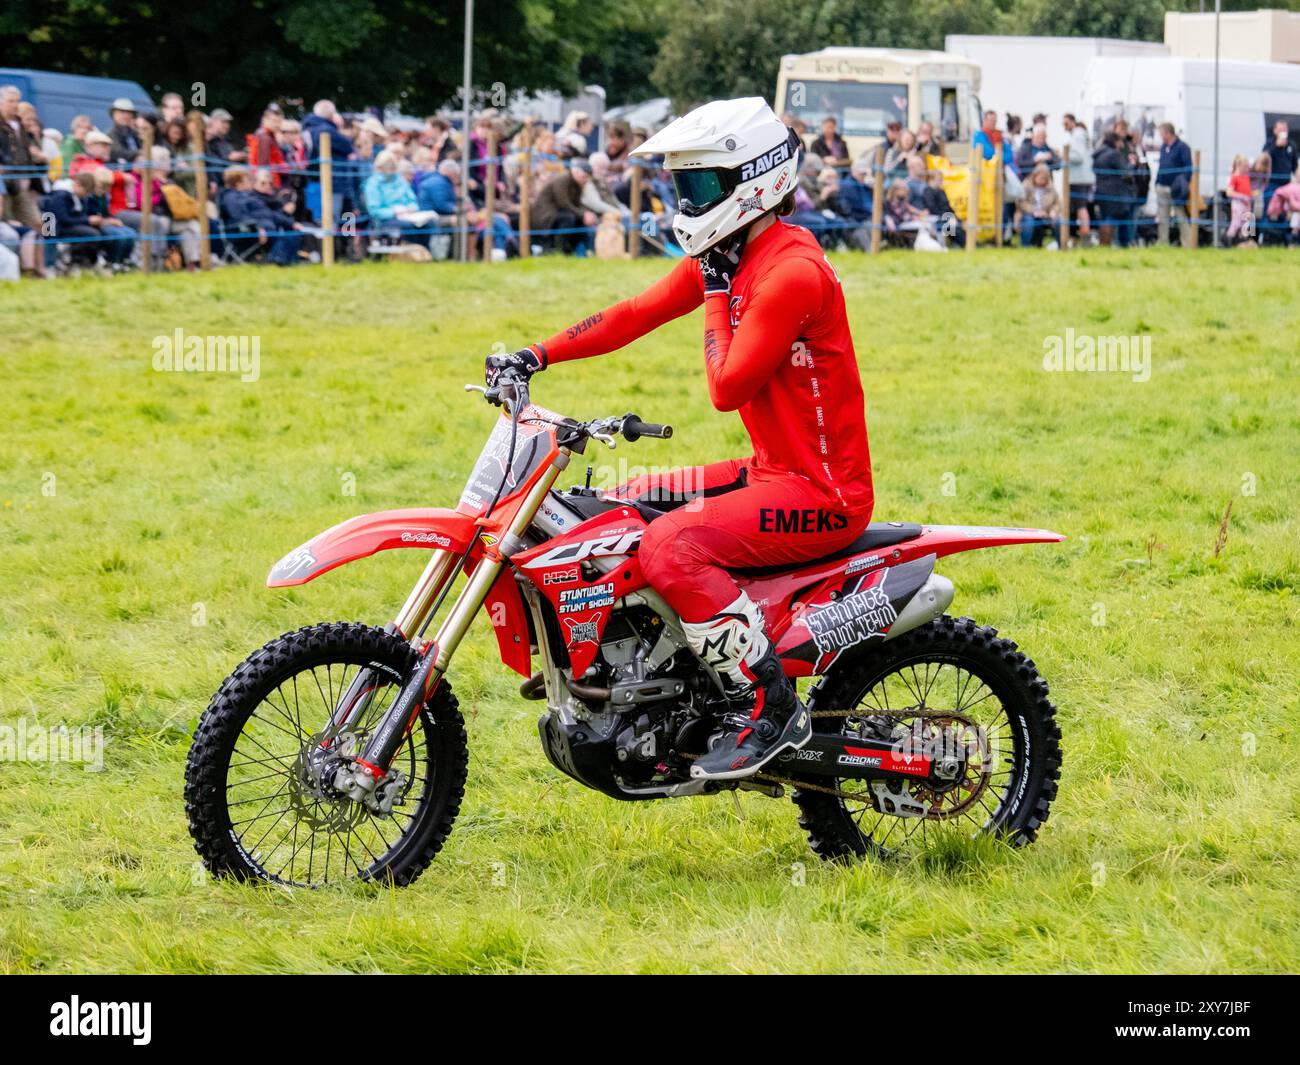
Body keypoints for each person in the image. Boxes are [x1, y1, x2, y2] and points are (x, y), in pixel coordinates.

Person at [483, 98, 872, 781]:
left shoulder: (788, 274)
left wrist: (718, 294)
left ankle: (766, 703)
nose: (688, 201)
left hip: (822, 495)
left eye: (700, 186)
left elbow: (727, 387)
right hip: (770, 471)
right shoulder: (732, 254)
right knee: (624, 505)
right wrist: (536, 355)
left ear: (752, 182)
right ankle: (638, 678)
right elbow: (635, 313)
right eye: (683, 186)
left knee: (672, 543)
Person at [1154, 122, 1192, 246]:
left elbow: (1188, 168)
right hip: (1162, 187)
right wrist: (1157, 182)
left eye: (1161, 134)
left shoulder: (1183, 147)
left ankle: (1187, 243)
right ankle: (1163, 242)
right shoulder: (1163, 147)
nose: (1160, 137)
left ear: (1168, 133)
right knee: (1163, 217)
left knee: (1181, 216)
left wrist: (1181, 184)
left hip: (1176, 189)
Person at [1260, 121, 1297, 245]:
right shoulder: (1269, 144)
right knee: (1268, 211)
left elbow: (1295, 166)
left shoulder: (1291, 145)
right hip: (1271, 184)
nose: (1283, 132)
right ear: (1275, 130)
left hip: (1286, 186)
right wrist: (1276, 146)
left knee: (1284, 213)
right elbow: (1263, 160)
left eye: (1285, 129)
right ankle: (1263, 238)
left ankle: (1285, 241)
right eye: (1280, 129)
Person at [1062, 113, 1093, 245]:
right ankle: (1076, 236)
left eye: (1066, 123)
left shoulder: (1077, 135)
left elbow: (1078, 156)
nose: (1065, 126)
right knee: (1079, 207)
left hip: (1078, 178)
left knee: (1081, 208)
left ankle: (1085, 235)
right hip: (1082, 177)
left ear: (1073, 122)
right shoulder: (1080, 135)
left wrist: (1064, 155)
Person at [1017, 163, 1062, 248]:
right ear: (1034, 176)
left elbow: (1057, 203)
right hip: (1029, 213)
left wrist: (1053, 211)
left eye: (1044, 178)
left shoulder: (1051, 188)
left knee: (1059, 221)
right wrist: (1034, 210)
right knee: (1028, 222)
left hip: (1046, 214)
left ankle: (1061, 245)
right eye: (1040, 178)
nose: (1042, 180)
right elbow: (1021, 202)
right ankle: (1025, 246)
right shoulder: (1026, 185)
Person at [1224, 154, 1255, 244]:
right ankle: (1228, 241)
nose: (1247, 168)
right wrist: (1242, 197)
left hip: (1247, 203)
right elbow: (1229, 192)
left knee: (1246, 224)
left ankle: (1242, 242)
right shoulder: (1234, 177)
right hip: (1238, 203)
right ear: (1238, 166)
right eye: (1244, 166)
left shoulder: (1246, 176)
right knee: (1236, 223)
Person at [107, 98, 141, 164]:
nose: (126, 116)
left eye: (129, 113)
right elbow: (119, 152)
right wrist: (141, 152)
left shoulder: (135, 133)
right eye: (122, 112)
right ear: (113, 114)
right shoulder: (111, 135)